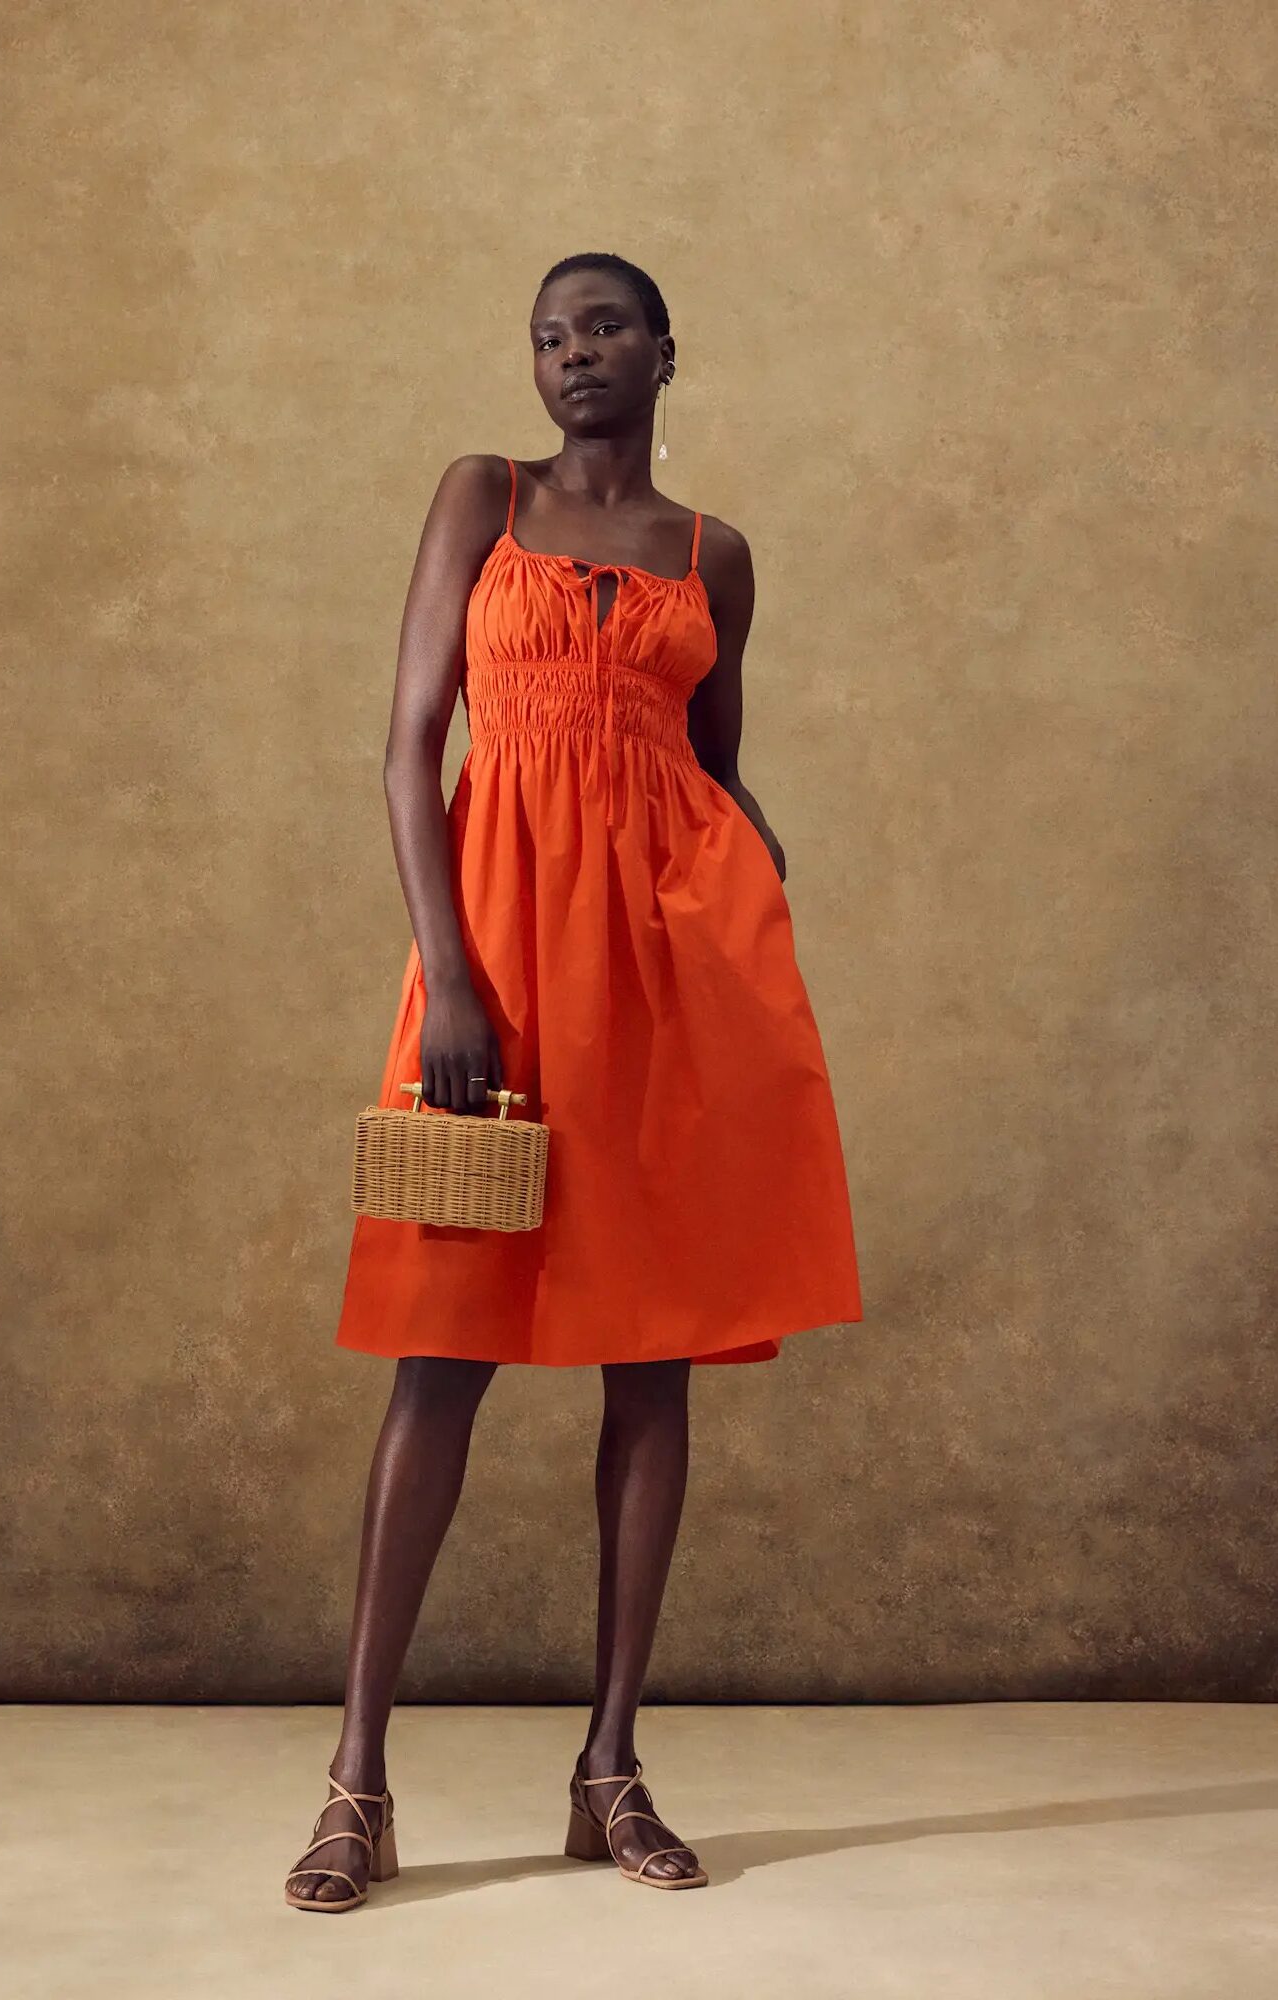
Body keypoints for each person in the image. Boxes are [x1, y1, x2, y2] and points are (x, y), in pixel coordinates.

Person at [285, 253, 863, 1911]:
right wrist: (449, 973)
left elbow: (715, 767)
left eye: (602, 327)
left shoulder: (715, 557)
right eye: (547, 335)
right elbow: (410, 743)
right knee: (440, 1353)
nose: (570, 354)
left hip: (671, 980)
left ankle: (611, 1764)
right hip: (501, 958)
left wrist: (751, 900)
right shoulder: (484, 494)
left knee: (655, 1357)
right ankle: (356, 1784)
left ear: (668, 348)